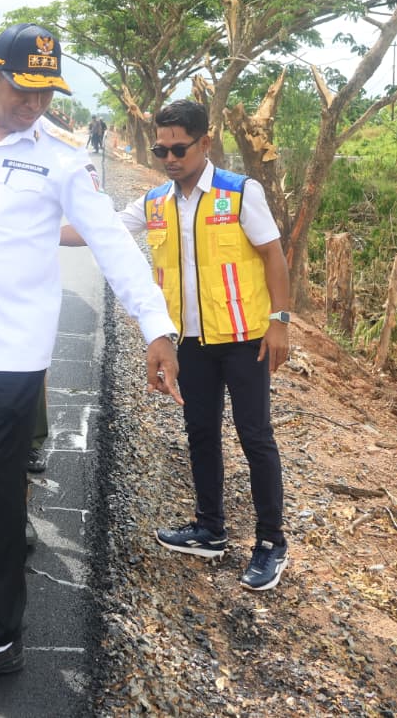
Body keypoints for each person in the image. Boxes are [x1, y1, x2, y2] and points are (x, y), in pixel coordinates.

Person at [0, 23, 181, 687]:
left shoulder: (58, 155)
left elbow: (109, 239)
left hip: (13, 354)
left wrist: (155, 326)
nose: (35, 105)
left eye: (46, 93)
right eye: (24, 90)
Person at [65, 98, 291, 590]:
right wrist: (27, 232)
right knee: (202, 433)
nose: (169, 158)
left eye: (179, 148)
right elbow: (96, 233)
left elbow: (274, 255)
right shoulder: (155, 203)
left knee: (255, 438)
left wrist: (279, 321)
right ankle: (210, 528)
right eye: (160, 149)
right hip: (189, 342)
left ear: (205, 143)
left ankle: (271, 542)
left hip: (245, 340)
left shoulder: (238, 193)